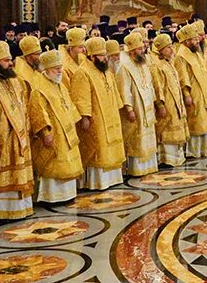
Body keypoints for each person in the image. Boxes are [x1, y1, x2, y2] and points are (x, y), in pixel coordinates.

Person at [0, 41, 34, 221]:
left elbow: (23, 105)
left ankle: (22, 209)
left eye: (10, 59)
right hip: (2, 138)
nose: (10, 64)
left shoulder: (14, 79)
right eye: (6, 61)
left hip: (19, 136)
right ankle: (1, 212)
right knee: (3, 174)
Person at [26, 49, 84, 203]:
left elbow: (69, 105)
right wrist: (45, 133)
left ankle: (68, 194)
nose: (60, 70)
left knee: (67, 161)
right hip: (54, 133)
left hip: (67, 131)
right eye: (56, 68)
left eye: (60, 66)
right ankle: (51, 196)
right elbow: (38, 112)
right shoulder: (38, 88)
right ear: (46, 69)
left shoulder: (59, 84)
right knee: (54, 163)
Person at [69, 37, 126, 189]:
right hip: (96, 117)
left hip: (111, 113)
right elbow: (80, 97)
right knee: (98, 146)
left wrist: (119, 107)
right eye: (101, 56)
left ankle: (113, 178)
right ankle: (97, 181)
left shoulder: (106, 71)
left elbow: (114, 91)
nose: (104, 58)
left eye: (105, 55)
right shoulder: (83, 72)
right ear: (92, 56)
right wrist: (85, 116)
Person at [118, 32, 159, 177]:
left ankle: (149, 166)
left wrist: (154, 101)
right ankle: (136, 168)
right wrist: (129, 109)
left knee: (148, 133)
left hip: (147, 104)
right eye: (140, 48)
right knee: (137, 135)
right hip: (136, 106)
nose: (143, 50)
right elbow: (124, 88)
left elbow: (149, 83)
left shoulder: (143, 62)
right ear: (132, 51)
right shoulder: (124, 66)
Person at [173, 23, 207, 157]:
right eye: (194, 39)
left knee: (204, 122)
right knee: (197, 122)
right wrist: (186, 94)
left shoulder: (195, 52)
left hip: (203, 91)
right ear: (186, 41)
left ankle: (205, 149)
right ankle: (194, 151)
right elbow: (183, 77)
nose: (197, 41)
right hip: (194, 93)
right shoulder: (181, 56)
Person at [148, 33, 189, 167]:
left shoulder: (169, 63)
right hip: (167, 103)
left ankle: (177, 157)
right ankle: (167, 159)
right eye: (168, 47)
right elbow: (157, 87)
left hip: (175, 100)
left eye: (171, 46)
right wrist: (160, 105)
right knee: (167, 130)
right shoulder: (156, 65)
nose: (171, 50)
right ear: (160, 50)